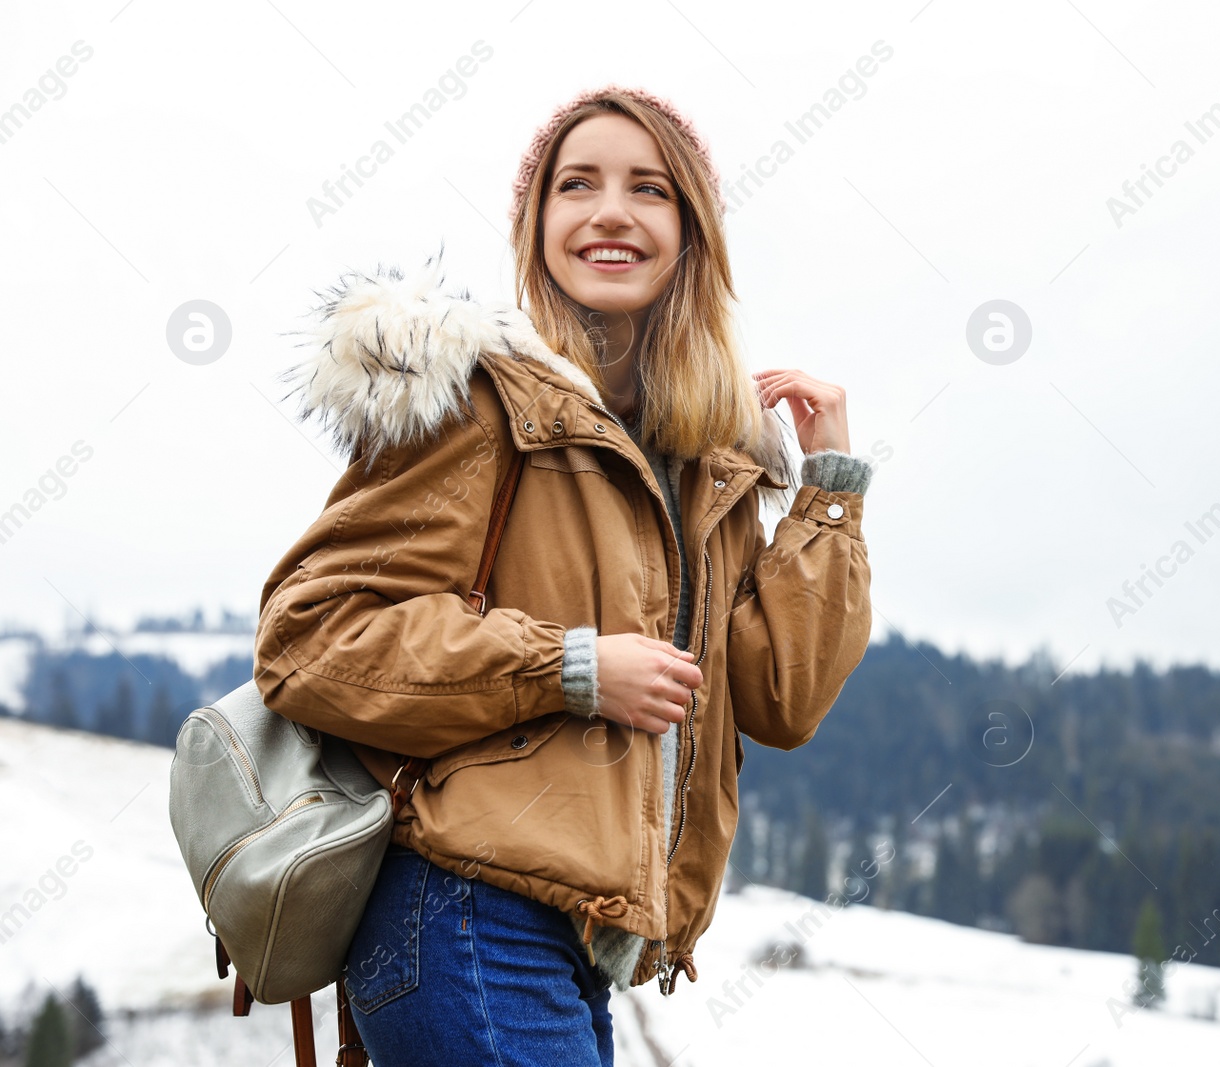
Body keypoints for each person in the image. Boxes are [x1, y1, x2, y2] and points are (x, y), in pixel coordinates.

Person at [253, 84, 875, 1065]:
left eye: (649, 188)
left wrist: (828, 494)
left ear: (692, 232)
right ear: (537, 224)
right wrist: (569, 665)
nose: (610, 211)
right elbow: (310, 640)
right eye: (574, 183)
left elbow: (781, 695)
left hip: (581, 942)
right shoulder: (482, 404)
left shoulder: (707, 454)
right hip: (461, 908)